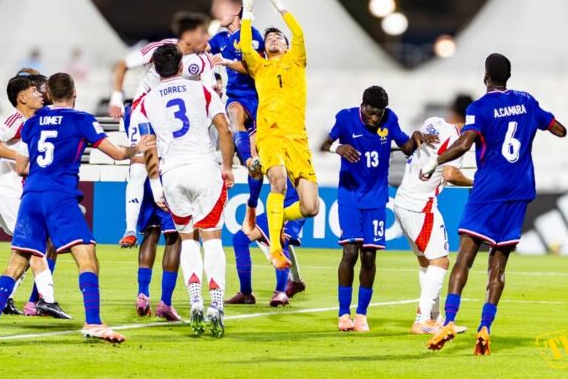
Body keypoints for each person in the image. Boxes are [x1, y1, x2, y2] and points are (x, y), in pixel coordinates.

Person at [0, 73, 153, 343]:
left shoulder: (31, 122)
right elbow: (117, 154)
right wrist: (137, 147)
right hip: (59, 196)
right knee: (87, 257)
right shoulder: (82, 119)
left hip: (30, 196)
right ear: (74, 93)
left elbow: (22, 166)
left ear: (48, 94)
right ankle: (93, 322)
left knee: (16, 262)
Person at [423, 54, 566, 355]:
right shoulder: (527, 101)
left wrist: (436, 161)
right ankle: (485, 326)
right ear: (508, 77)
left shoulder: (479, 108)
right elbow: (558, 128)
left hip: (488, 190)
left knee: (465, 257)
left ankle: (449, 321)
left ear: (485, 77)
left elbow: (465, 143)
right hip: (519, 191)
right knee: (498, 265)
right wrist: (542, 125)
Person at [320, 86, 435, 332]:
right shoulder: (345, 118)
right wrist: (338, 148)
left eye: (379, 113)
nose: (375, 118)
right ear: (362, 106)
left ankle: (361, 314)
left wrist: (416, 136)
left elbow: (406, 148)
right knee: (350, 252)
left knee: (369, 256)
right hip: (350, 196)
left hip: (376, 198)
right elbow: (324, 144)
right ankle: (343, 314)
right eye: (371, 112)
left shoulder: (389, 119)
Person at [138, 44, 234, 338]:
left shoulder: (146, 101)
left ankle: (194, 300)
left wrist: (156, 186)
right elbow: (225, 129)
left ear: (155, 69)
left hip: (172, 174)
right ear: (181, 66)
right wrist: (227, 167)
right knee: (212, 238)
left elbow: (148, 147)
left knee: (187, 239)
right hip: (204, 168)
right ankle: (215, 304)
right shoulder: (201, 90)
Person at [111, 12, 216, 249]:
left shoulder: (204, 61)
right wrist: (117, 98)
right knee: (138, 166)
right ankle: (130, 229)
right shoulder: (161, 48)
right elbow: (123, 64)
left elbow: (208, 95)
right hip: (143, 110)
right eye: (203, 32)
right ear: (189, 34)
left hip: (170, 120)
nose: (207, 38)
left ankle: (172, 208)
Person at [239, 0, 319, 270]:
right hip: (270, 135)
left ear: (287, 46)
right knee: (278, 181)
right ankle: (275, 248)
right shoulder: (259, 67)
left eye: (278, 38)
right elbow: (245, 47)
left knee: (311, 207)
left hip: (298, 138)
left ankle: (272, 219)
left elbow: (298, 33)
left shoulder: (297, 61)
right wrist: (248, 6)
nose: (273, 39)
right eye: (269, 38)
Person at [0, 75, 70, 319]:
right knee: (36, 247)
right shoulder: (16, 119)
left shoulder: (36, 122)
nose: (39, 94)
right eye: (34, 91)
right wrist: (21, 158)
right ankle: (47, 300)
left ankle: (6, 298)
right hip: (9, 193)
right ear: (22, 98)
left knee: (23, 252)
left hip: (17, 195)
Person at [394, 95, 474, 335]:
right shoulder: (459, 139)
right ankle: (422, 320)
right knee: (441, 261)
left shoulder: (432, 122)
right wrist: (476, 182)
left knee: (427, 262)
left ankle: (434, 318)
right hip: (421, 205)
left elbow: (420, 138)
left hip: (403, 200)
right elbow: (450, 174)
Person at [209, 0, 266, 230]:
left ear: (236, 9)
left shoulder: (251, 35)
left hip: (258, 99)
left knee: (259, 167)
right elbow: (200, 50)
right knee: (232, 114)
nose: (216, 12)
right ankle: (247, 160)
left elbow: (252, 68)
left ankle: (252, 205)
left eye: (220, 6)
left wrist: (226, 62)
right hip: (236, 97)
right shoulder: (220, 38)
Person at [122, 100, 182, 322]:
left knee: (150, 233)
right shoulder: (160, 102)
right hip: (164, 171)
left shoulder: (132, 110)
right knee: (174, 238)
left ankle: (143, 293)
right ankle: (165, 302)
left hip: (141, 175)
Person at [226, 179, 306, 307]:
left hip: (293, 209)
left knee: (280, 242)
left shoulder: (298, 168)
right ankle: (246, 293)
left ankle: (280, 292)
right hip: (276, 208)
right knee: (240, 239)